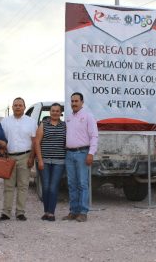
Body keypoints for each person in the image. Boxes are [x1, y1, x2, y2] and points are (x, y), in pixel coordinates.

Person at [0, 97, 37, 221]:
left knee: (23, 186)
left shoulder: (31, 122)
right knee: (8, 186)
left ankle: (20, 212)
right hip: (9, 157)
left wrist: (32, 158)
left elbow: (34, 142)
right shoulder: (5, 121)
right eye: (15, 105)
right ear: (12, 107)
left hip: (25, 156)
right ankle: (6, 212)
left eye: (20, 105)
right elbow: (1, 139)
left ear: (24, 107)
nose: (18, 107)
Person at [63, 92, 98, 222]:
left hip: (83, 153)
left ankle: (83, 212)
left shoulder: (88, 116)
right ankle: (73, 211)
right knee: (72, 184)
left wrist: (91, 153)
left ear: (82, 102)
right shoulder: (68, 118)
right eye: (72, 101)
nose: (74, 103)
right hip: (69, 154)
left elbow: (94, 136)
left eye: (76, 101)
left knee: (82, 184)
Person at [35, 103, 66, 221]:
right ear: (50, 112)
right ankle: (46, 211)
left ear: (60, 113)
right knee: (46, 187)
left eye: (57, 111)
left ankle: (51, 213)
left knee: (53, 187)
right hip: (45, 161)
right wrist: (40, 160)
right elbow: (37, 142)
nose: (55, 113)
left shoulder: (64, 126)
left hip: (59, 161)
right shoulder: (43, 125)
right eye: (53, 110)